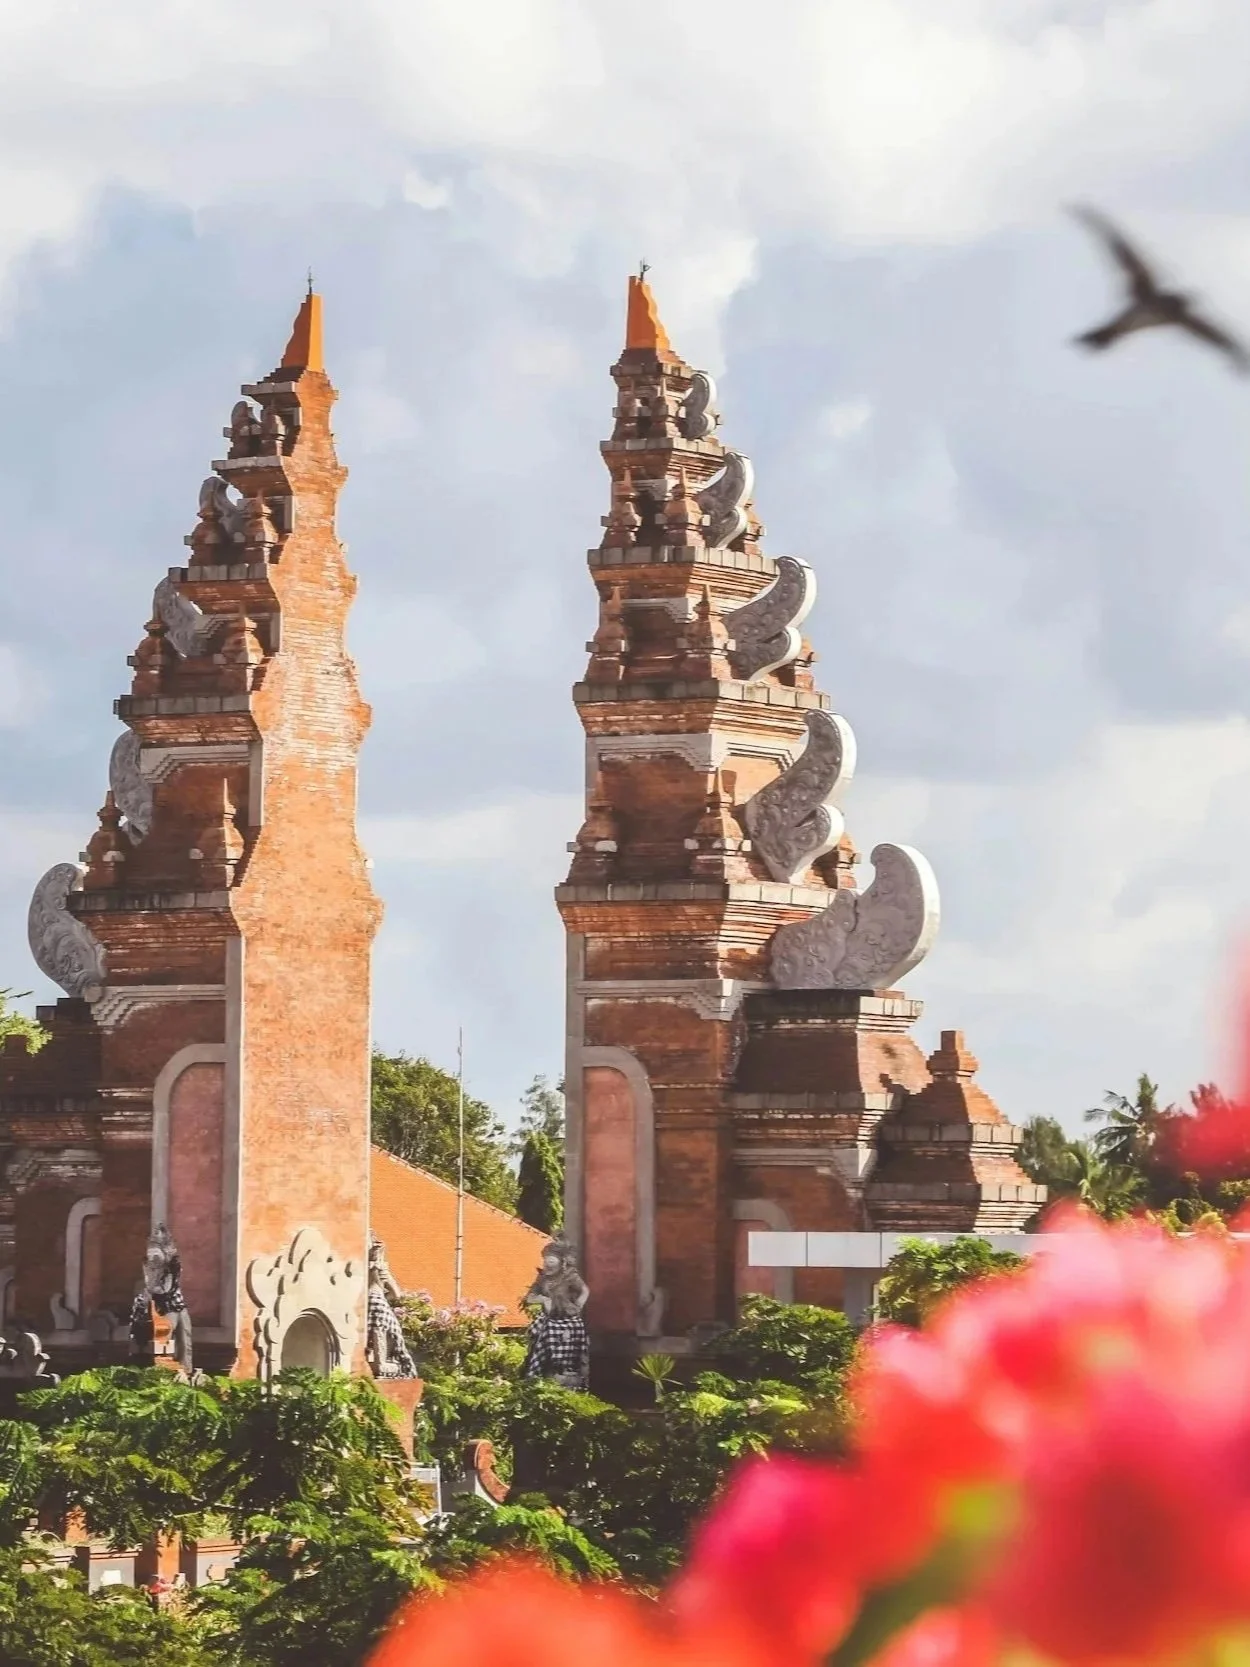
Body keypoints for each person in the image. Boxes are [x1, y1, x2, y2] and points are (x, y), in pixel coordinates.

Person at [522, 1236, 590, 1390]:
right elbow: (530, 1298)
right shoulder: (542, 1279)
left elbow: (585, 1291)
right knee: (539, 1345)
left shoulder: (571, 1277)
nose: (547, 1265)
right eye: (545, 1261)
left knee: (573, 1351)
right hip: (549, 1321)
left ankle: (571, 1376)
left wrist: (577, 1306)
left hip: (570, 1321)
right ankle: (539, 1377)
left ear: (562, 1262)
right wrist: (543, 1299)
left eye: (551, 1261)